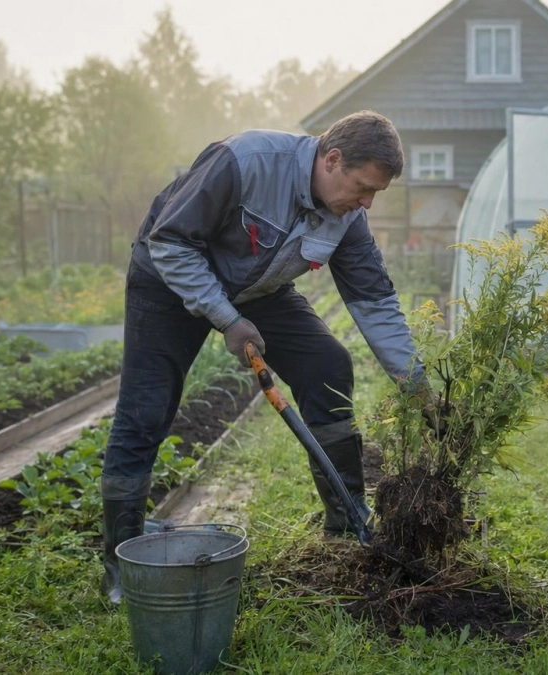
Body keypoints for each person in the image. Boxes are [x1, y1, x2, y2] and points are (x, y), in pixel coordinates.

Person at [99, 110, 439, 605]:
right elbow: (169, 243)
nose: (366, 203)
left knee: (327, 364)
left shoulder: (347, 217)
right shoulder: (246, 161)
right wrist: (226, 317)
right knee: (144, 410)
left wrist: (416, 384)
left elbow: (375, 302)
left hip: (257, 289)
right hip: (169, 282)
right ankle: (119, 559)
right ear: (333, 158)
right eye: (364, 188)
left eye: (375, 195)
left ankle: (346, 529)